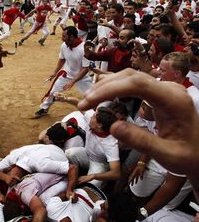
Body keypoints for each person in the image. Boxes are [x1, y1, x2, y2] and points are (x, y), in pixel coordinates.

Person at [76, 68, 199, 199]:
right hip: (100, 156)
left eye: (145, 107)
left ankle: (117, 194)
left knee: (128, 167)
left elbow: (146, 142)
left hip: (115, 159)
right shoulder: (148, 117)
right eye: (141, 105)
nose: (142, 109)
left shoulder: (116, 137)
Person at [34, 26, 92, 118]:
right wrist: (55, 72)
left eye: (64, 36)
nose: (62, 38)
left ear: (72, 37)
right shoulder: (64, 45)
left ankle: (96, 114)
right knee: (53, 92)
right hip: (67, 74)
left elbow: (85, 69)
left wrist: (73, 82)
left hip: (82, 77)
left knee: (92, 96)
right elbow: (62, 59)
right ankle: (44, 108)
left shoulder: (83, 49)